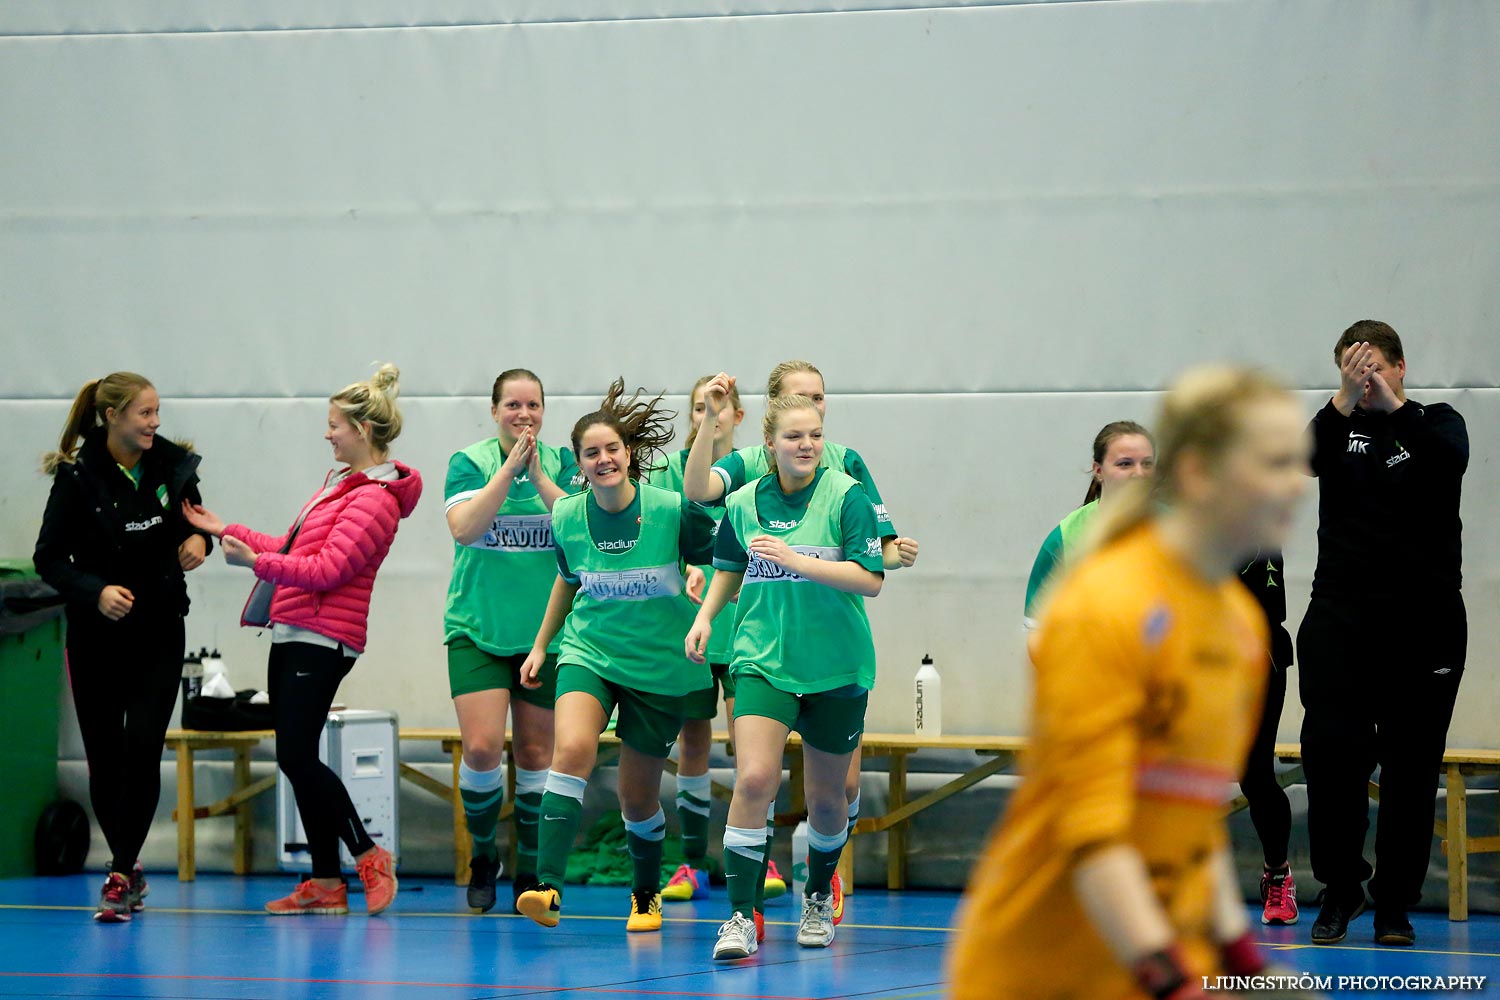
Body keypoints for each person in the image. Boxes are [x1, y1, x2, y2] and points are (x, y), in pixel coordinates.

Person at [947, 366, 1314, 999]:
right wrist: (1170, 980)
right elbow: (1093, 838)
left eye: (1297, 464)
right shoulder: (1105, 605)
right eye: (1273, 464)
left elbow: (1192, 820)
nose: (1296, 485)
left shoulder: (1239, 629)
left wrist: (1242, 958)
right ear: (1200, 473)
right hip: (1044, 969)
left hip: (1162, 949)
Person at [182, 364, 421, 917]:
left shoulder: (375, 499)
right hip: (293, 630)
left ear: (362, 430)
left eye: (334, 424)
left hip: (323, 637)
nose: (327, 433)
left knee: (295, 754)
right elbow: (294, 547)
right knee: (297, 756)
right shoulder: (339, 486)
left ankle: (367, 853)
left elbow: (328, 569)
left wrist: (257, 561)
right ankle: (323, 880)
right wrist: (229, 531)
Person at [685, 362, 919, 925]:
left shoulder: (847, 488)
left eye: (816, 422)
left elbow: (871, 570)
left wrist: (822, 559)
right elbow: (726, 554)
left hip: (836, 662)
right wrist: (707, 618)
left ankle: (818, 891)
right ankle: (742, 915)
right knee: (755, 778)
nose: (808, 439)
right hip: (763, 658)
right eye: (795, 428)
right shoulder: (743, 491)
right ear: (770, 434)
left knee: (831, 793)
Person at [515, 379, 718, 934]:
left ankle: (646, 894)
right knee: (573, 747)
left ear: (628, 454)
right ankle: (546, 887)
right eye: (591, 453)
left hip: (660, 667)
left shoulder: (672, 511)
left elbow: (727, 559)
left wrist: (700, 583)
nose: (603, 459)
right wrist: (540, 644)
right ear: (578, 464)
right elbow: (566, 580)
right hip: (591, 651)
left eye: (612, 449)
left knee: (637, 798)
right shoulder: (567, 518)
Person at [1299, 321, 1468, 948]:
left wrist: (1392, 405)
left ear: (1400, 366)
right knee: (1334, 762)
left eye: (1375, 367)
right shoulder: (1336, 426)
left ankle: (1395, 902)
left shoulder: (1437, 421)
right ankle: (1340, 891)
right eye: (1353, 368)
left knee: (1410, 767)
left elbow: (1448, 465)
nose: (1366, 378)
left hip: (1424, 624)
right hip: (1341, 621)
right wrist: (1344, 397)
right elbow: (1305, 460)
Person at [34, 373, 213, 923]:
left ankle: (118, 873)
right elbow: (48, 559)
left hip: (159, 631)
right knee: (106, 758)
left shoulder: (170, 467)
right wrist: (95, 592)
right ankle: (128, 865)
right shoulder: (76, 478)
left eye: (157, 412)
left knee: (142, 746)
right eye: (144, 414)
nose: (155, 423)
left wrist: (198, 541)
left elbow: (200, 522)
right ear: (111, 416)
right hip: (97, 636)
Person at [443, 369, 582, 913]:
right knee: (480, 748)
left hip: (544, 634)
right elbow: (465, 528)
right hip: (477, 628)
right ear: (495, 410)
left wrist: (540, 475)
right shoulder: (469, 463)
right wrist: (507, 471)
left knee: (533, 753)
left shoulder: (565, 463)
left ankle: (528, 866)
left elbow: (574, 524)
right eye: (512, 406)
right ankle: (483, 854)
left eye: (533, 406)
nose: (523, 415)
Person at [653, 375, 746, 903]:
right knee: (692, 741)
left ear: (737, 414)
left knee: (750, 742)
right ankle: (691, 862)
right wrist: (689, 566)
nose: (709, 415)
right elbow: (663, 537)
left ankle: (756, 852)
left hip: (746, 625)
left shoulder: (757, 468)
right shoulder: (673, 473)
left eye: (719, 406)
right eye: (697, 408)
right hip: (690, 624)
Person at [1023, 421, 1153, 631]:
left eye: (1147, 464)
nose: (1139, 473)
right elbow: (1036, 629)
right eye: (1125, 464)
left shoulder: (1181, 530)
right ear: (1098, 471)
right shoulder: (1065, 538)